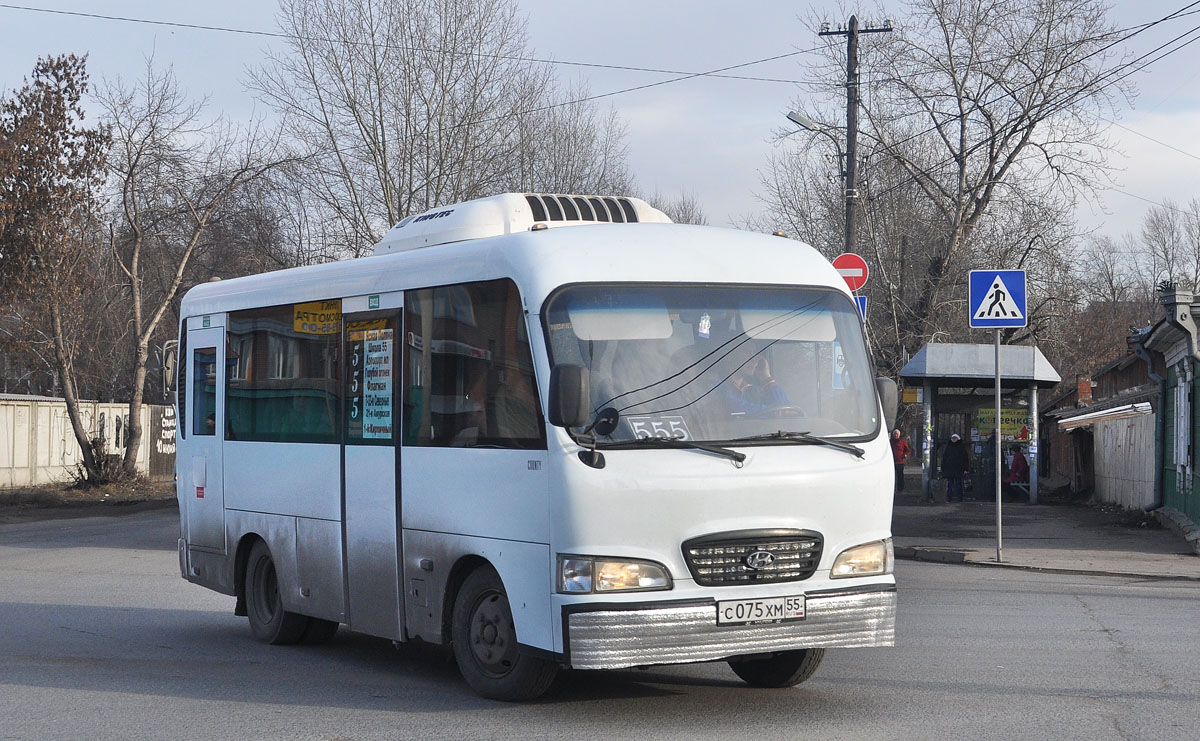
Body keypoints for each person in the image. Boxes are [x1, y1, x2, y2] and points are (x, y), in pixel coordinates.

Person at [722, 355, 790, 414]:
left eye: (755, 354)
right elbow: (734, 406)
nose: (754, 359)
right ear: (730, 356)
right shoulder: (716, 386)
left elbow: (785, 411)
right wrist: (774, 413)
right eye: (747, 352)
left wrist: (766, 377)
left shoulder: (753, 390)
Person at [940, 433, 971, 503]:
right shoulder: (949, 447)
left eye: (955, 438)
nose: (954, 439)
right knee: (950, 484)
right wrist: (943, 468)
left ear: (958, 439)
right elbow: (944, 458)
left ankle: (959, 498)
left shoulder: (961, 447)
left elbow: (965, 458)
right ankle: (949, 497)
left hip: (958, 469)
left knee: (958, 484)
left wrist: (965, 468)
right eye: (953, 438)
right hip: (950, 469)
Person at [890, 429, 911, 494]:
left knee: (900, 476)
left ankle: (900, 489)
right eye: (895, 434)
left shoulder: (902, 442)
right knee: (892, 476)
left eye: (897, 434)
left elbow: (907, 450)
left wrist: (905, 455)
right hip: (892, 462)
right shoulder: (890, 442)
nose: (896, 435)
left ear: (899, 435)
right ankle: (892, 489)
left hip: (900, 462)